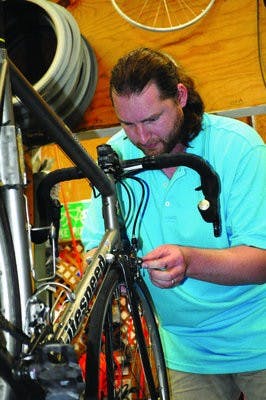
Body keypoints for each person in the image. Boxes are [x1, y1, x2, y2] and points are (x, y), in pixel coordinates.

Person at [81, 47, 266, 399]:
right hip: (185, 350)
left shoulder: (238, 148)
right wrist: (110, 274)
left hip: (259, 338)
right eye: (127, 123)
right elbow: (96, 247)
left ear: (180, 96)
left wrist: (189, 261)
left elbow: (262, 260)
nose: (142, 137)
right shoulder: (116, 158)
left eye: (152, 119)